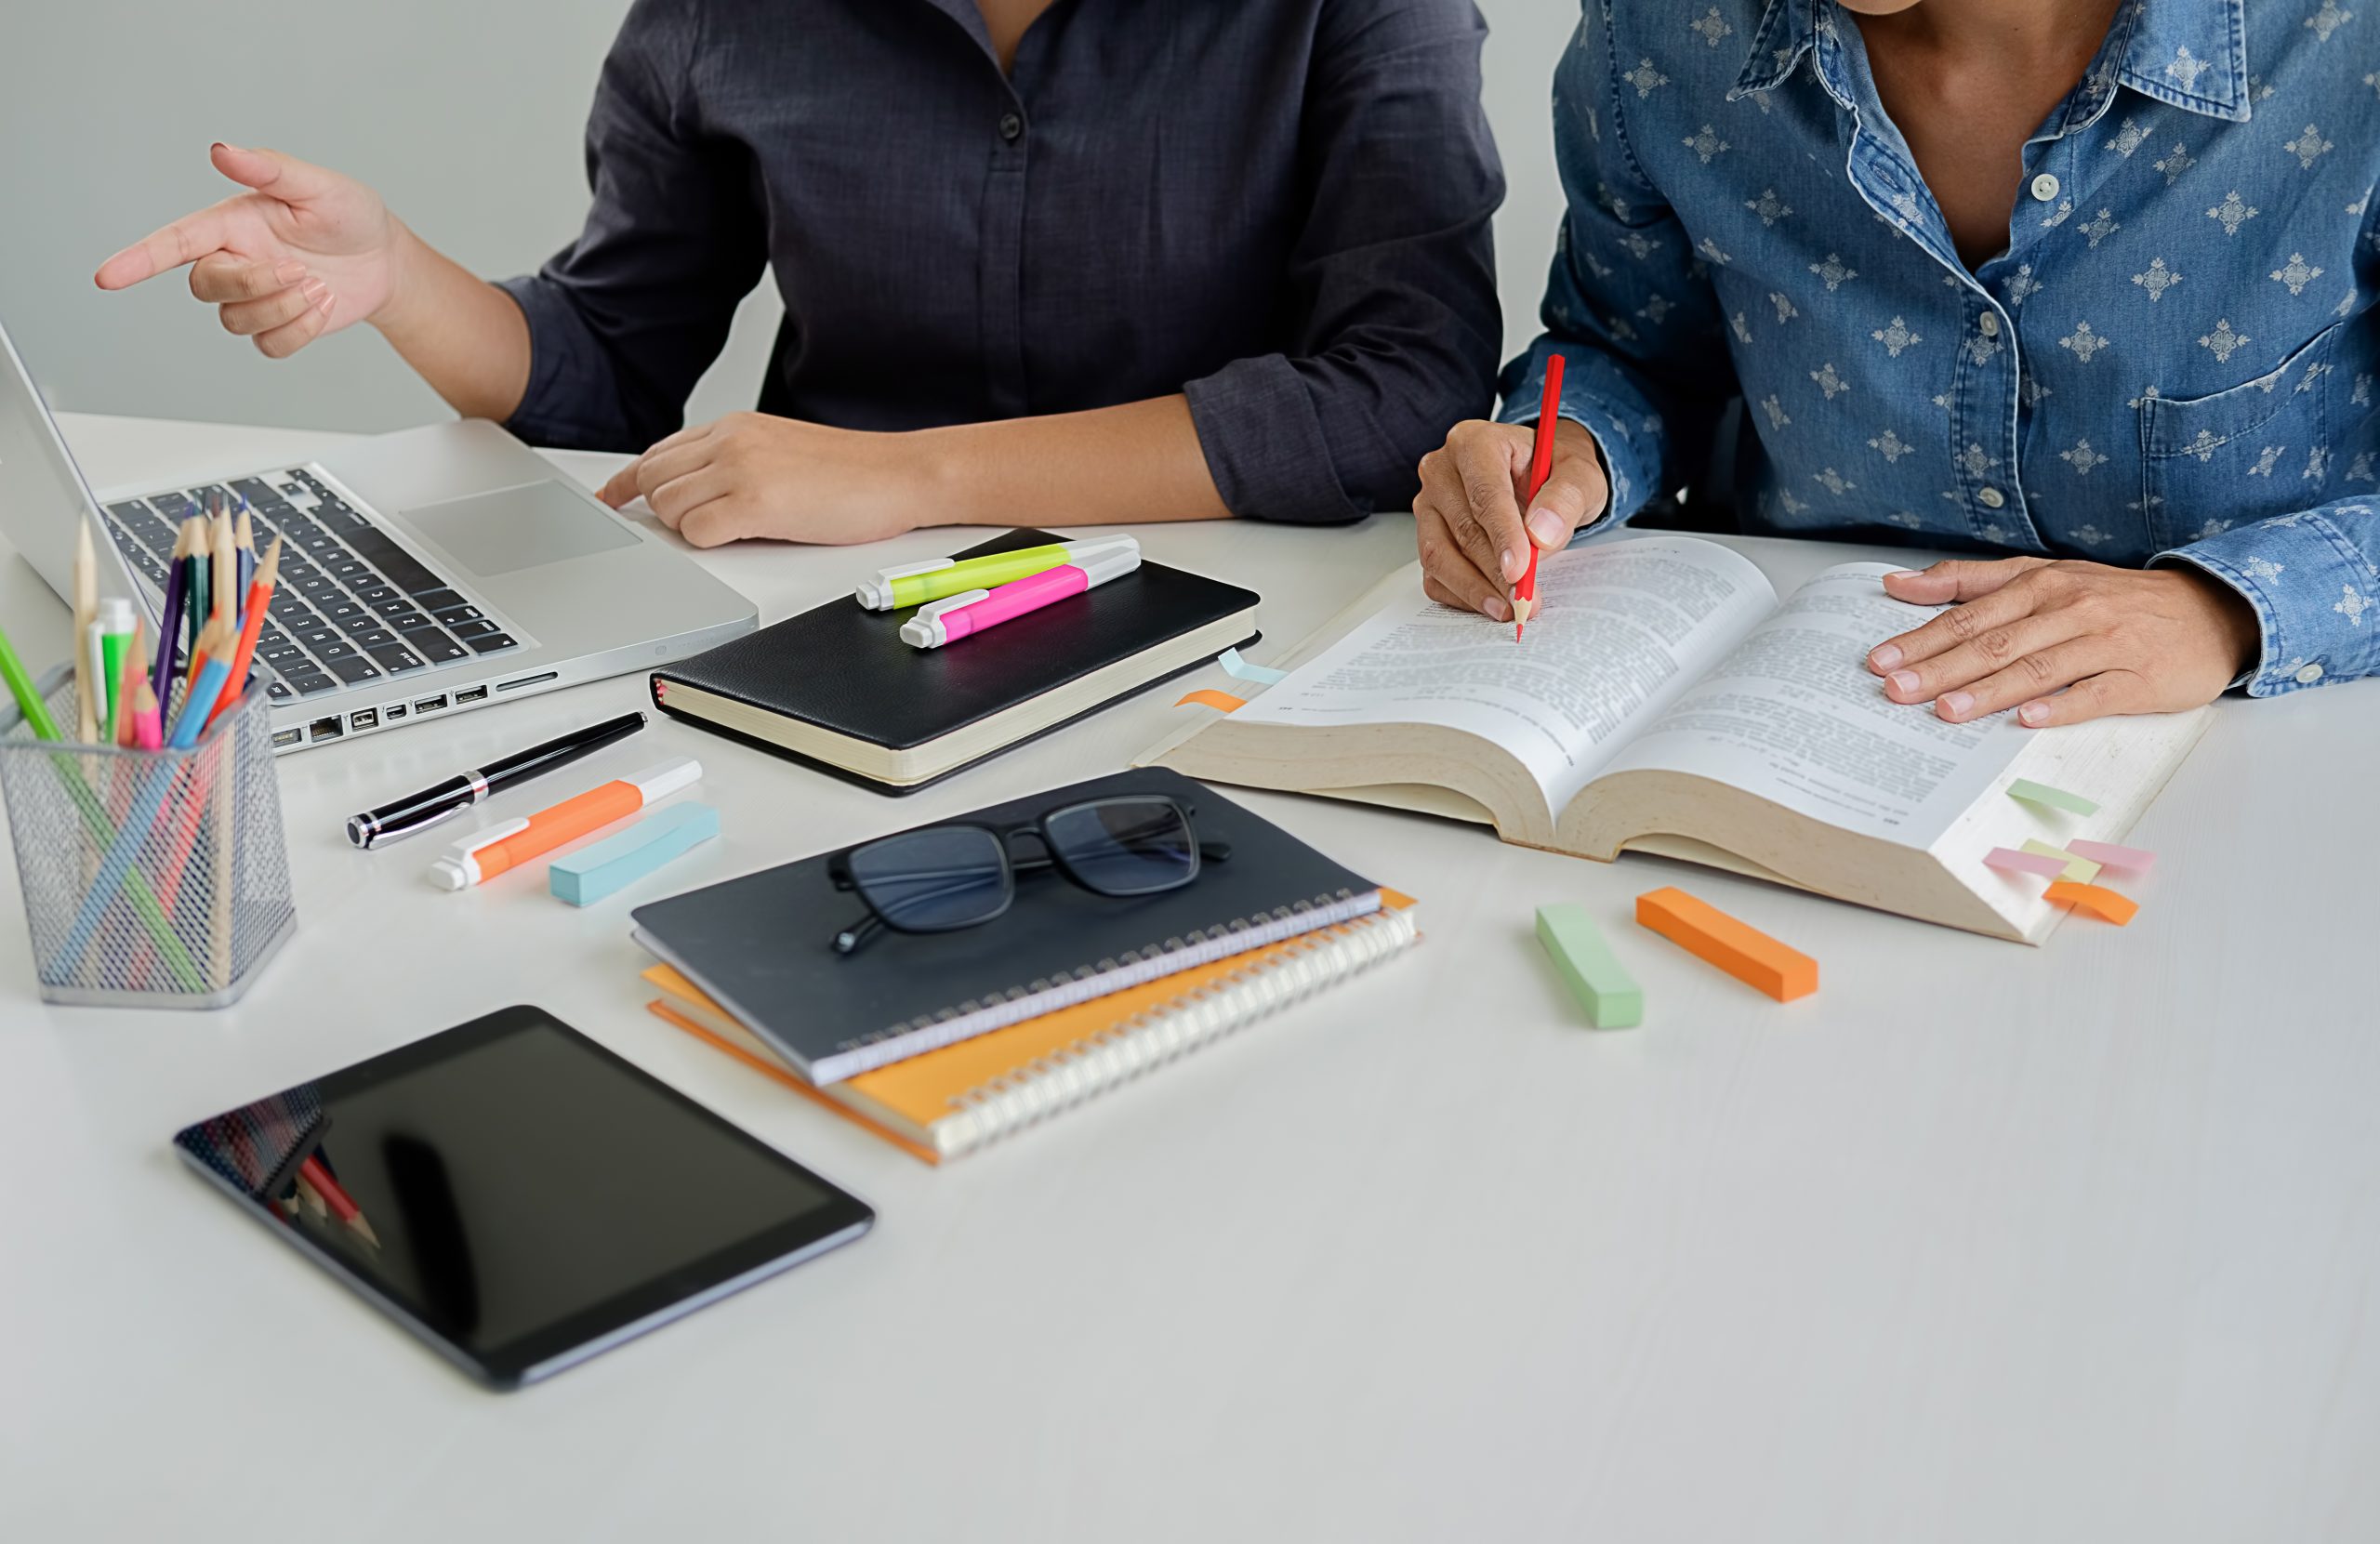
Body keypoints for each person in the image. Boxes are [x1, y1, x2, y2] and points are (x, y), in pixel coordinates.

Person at [95, 0, 1504, 546]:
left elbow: (1401, 392)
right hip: (832, 628)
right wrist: (394, 273)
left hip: (1243, 625)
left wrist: (904, 476)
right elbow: (605, 366)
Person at [1416, 0, 2376, 726]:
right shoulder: (1656, 38)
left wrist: (2226, 613)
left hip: (2254, 742)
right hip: (1794, 726)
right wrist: (1572, 446)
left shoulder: (2347, 46)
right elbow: (1633, 349)